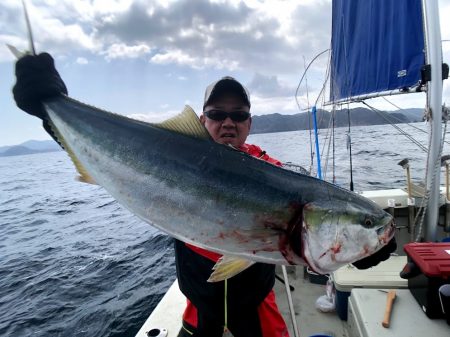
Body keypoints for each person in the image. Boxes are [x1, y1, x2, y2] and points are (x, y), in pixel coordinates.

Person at [13, 53, 397, 337]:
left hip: (258, 317)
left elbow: (314, 228)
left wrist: (370, 245)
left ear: (249, 123)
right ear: (201, 121)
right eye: (217, 113)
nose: (228, 121)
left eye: (238, 114)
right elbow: (117, 159)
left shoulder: (277, 174)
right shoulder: (170, 155)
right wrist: (51, 111)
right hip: (200, 314)